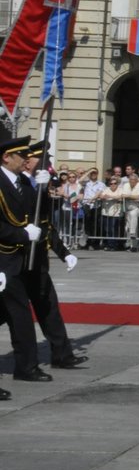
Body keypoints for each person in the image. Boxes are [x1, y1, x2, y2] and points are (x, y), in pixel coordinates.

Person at [17, 140, 86, 368]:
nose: (47, 166)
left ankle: (62, 354)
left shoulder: (39, 185)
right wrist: (36, 189)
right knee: (10, 313)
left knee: (49, 308)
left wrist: (64, 253)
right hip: (16, 259)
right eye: (42, 160)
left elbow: (45, 224)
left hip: (37, 260)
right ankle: (28, 363)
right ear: (28, 162)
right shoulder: (18, 184)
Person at [0, 134, 51, 393]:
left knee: (19, 314)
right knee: (18, 313)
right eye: (22, 156)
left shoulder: (22, 181)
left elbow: (40, 213)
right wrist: (21, 234)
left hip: (17, 260)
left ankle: (27, 366)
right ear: (6, 157)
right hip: (3, 258)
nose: (27, 160)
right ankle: (27, 366)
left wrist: (41, 188)